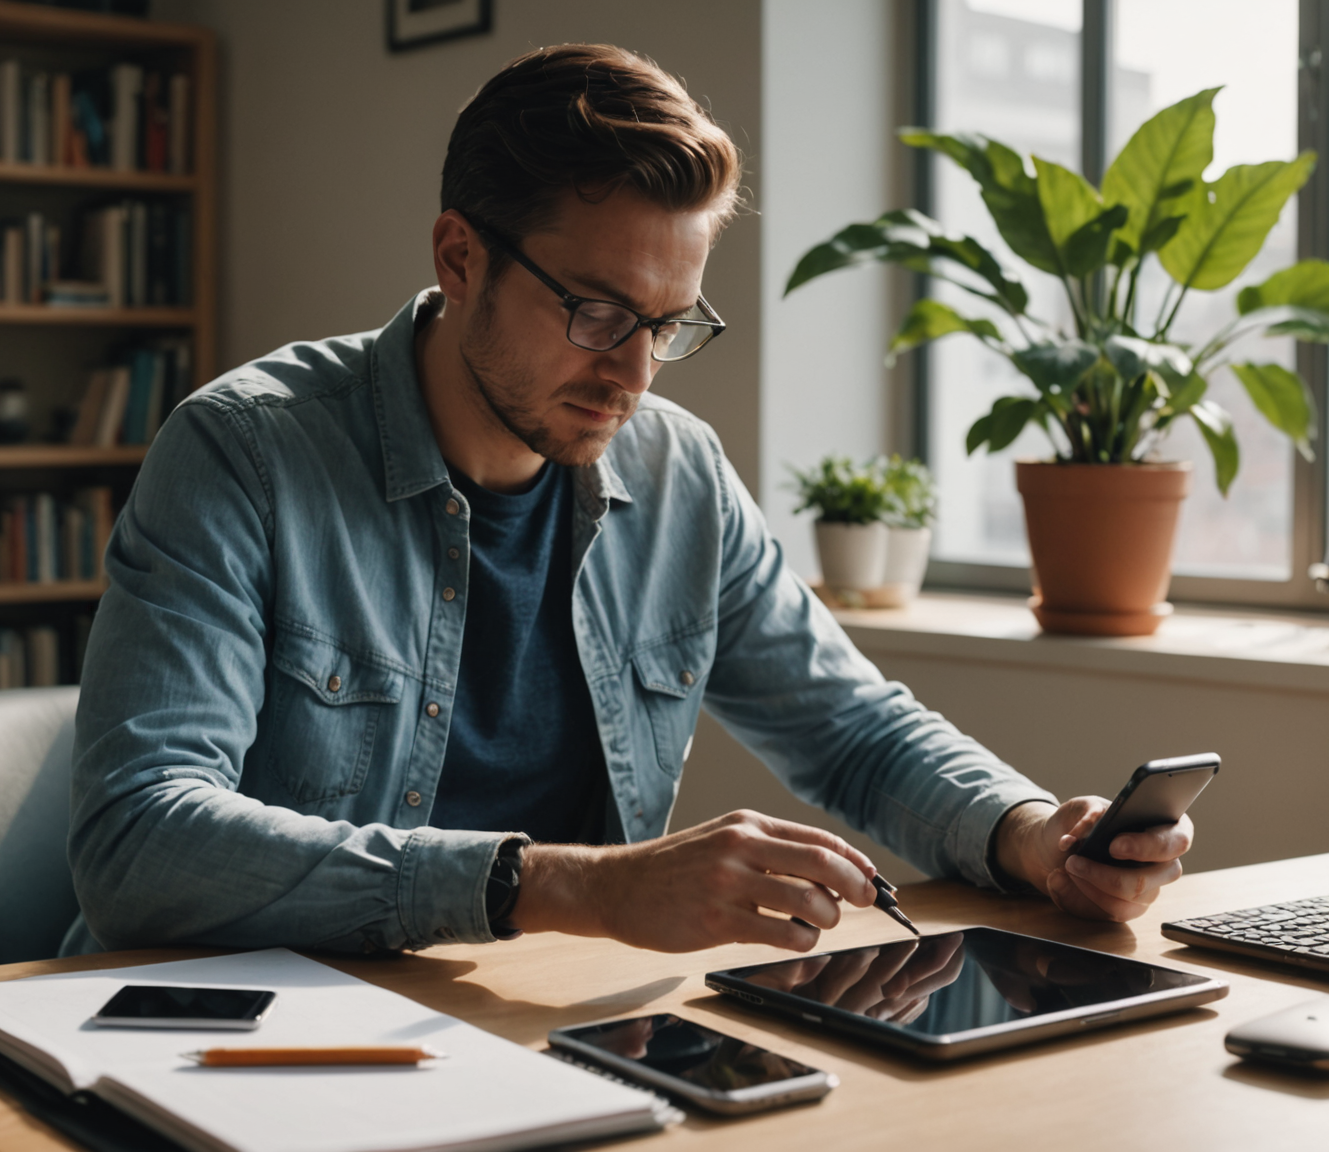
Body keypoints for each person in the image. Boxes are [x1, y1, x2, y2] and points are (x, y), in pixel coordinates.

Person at [62, 44, 1192, 959]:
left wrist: (1032, 831)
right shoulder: (244, 452)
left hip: (533, 1030)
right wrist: (567, 886)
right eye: (598, 313)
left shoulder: (676, 471)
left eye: (669, 325)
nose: (635, 374)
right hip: (240, 1039)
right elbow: (137, 841)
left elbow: (850, 730)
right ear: (461, 259)